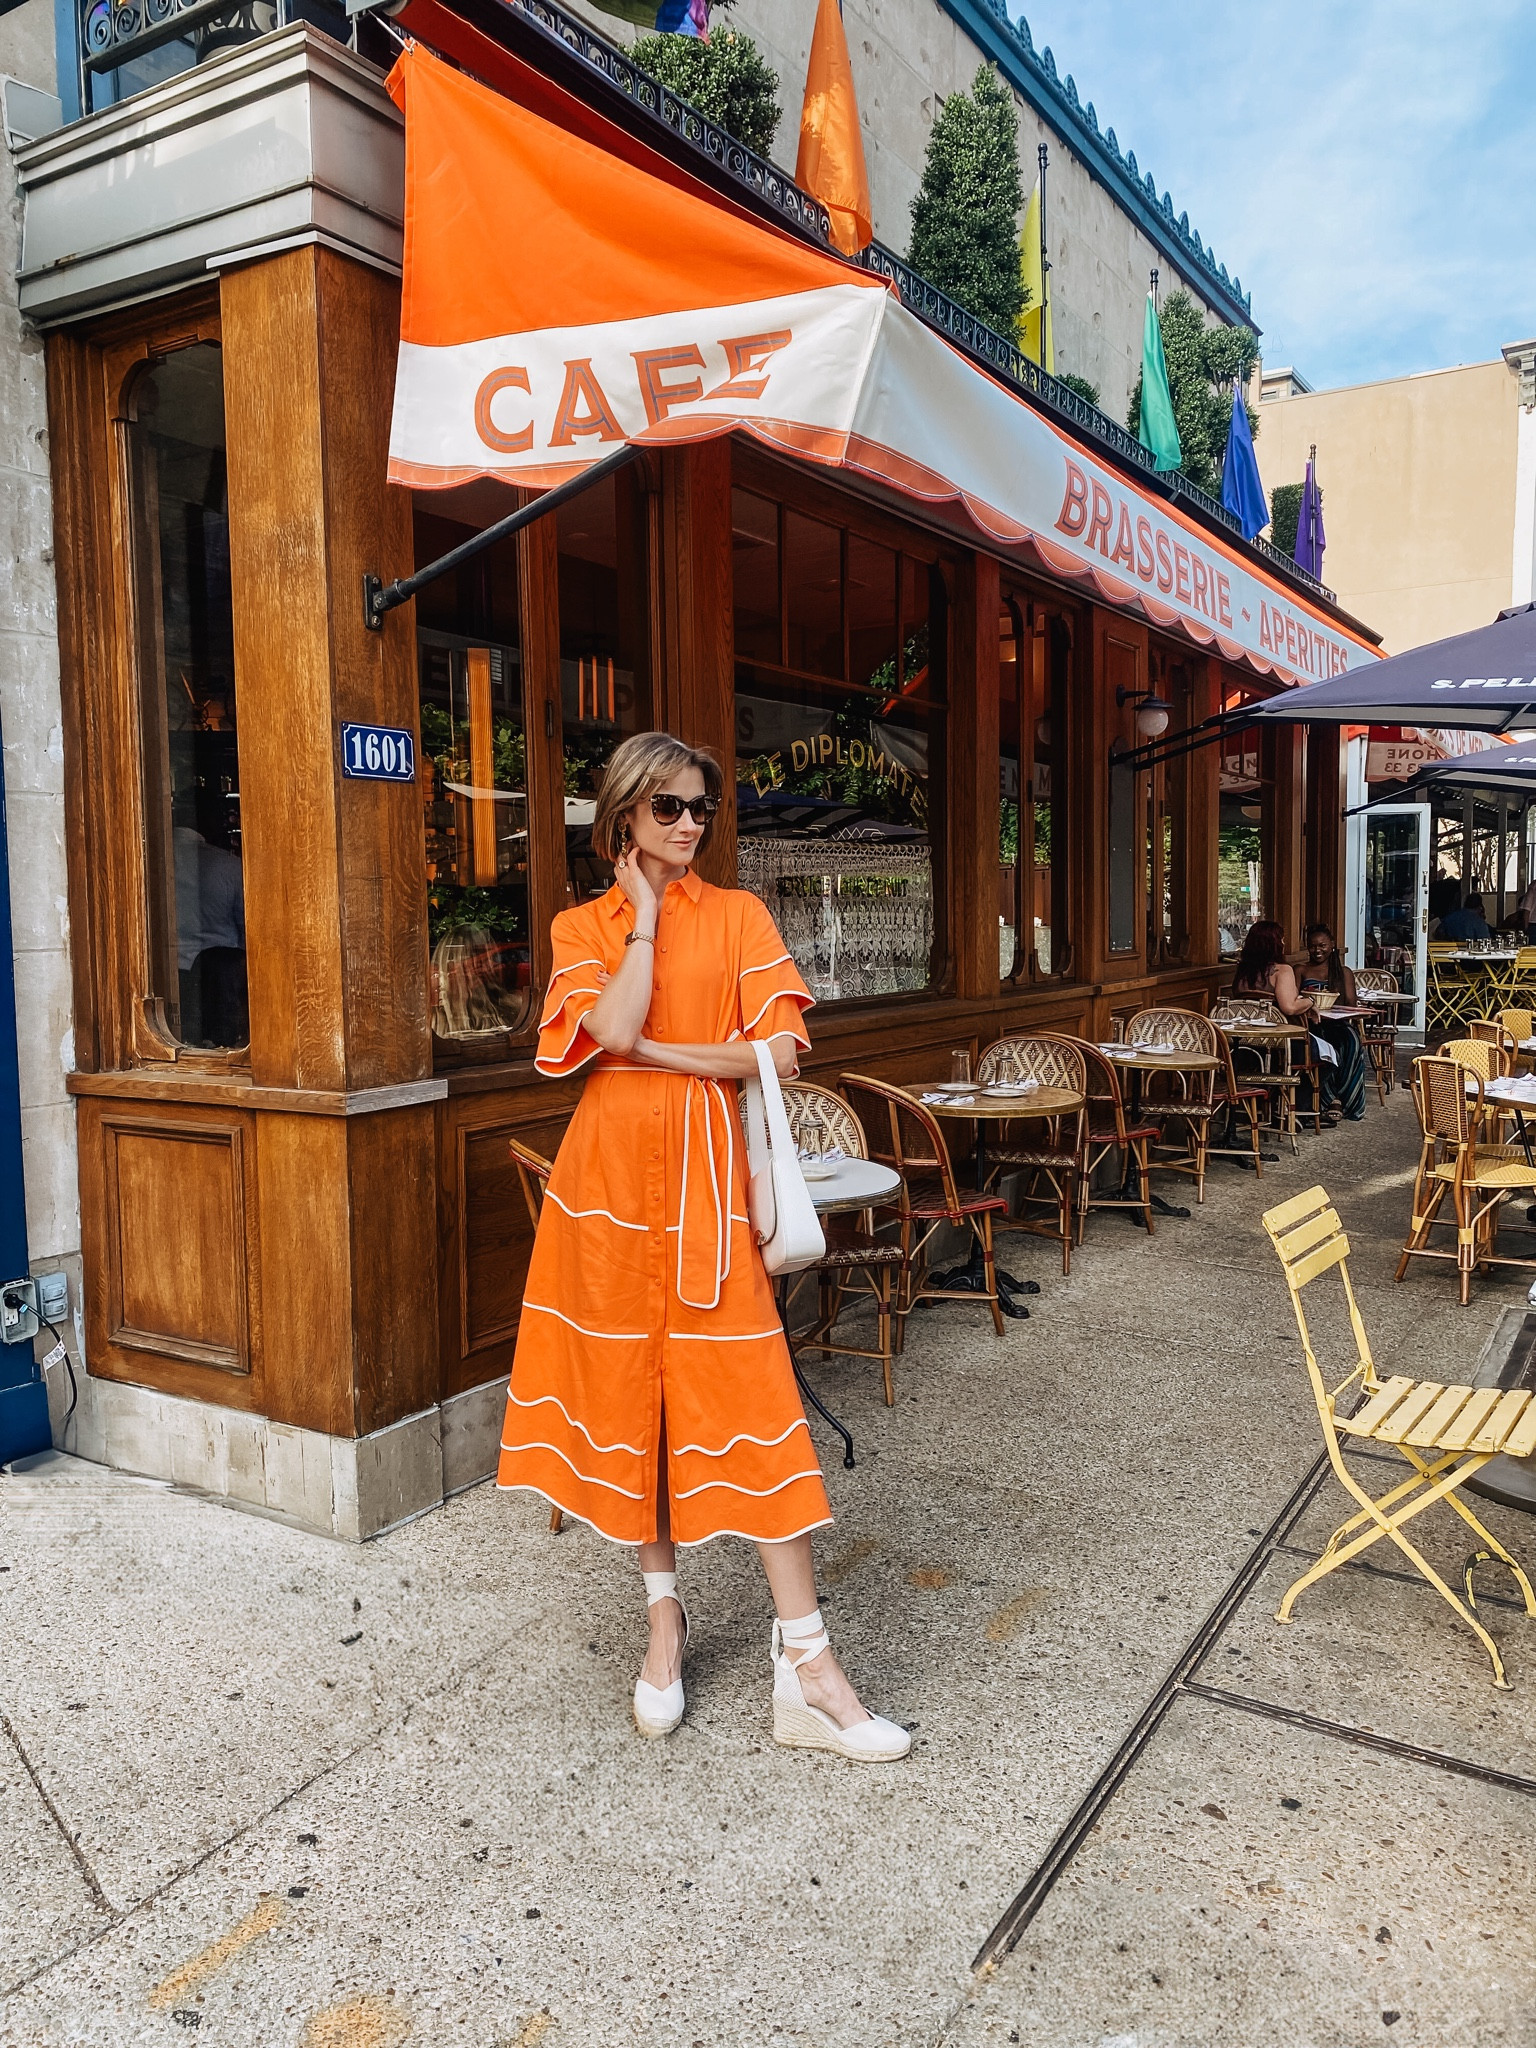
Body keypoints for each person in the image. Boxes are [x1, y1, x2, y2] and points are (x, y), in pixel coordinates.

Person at [496, 732, 909, 1763]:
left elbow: (774, 1049)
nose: (690, 823)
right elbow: (603, 1023)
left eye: (701, 808)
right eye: (670, 806)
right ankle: (664, 1618)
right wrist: (638, 927)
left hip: (706, 1186)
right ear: (625, 814)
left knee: (753, 1396)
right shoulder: (582, 923)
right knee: (634, 1395)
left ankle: (807, 1660)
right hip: (605, 1187)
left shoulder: (739, 914)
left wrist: (659, 1054)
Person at [1299, 923, 1367, 1123]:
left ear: (1332, 945)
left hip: (1338, 1023)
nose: (1317, 950)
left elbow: (1351, 1005)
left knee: (1351, 1042)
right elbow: (1293, 1000)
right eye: (1312, 946)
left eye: (1322, 945)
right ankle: (1329, 1100)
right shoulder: (1301, 970)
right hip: (1311, 1025)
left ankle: (1345, 1097)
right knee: (1324, 1046)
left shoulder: (1343, 972)